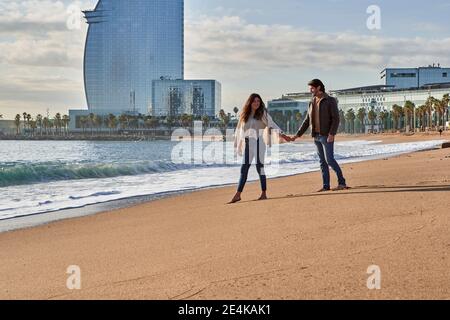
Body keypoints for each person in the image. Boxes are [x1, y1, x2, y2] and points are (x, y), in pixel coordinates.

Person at [229, 93, 290, 204]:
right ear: (250, 102)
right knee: (244, 169)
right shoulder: (244, 115)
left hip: (259, 143)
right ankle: (238, 195)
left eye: (258, 101)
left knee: (259, 168)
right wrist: (237, 143)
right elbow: (239, 130)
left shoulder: (263, 113)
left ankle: (263, 193)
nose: (256, 103)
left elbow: (272, 125)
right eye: (254, 101)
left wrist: (282, 134)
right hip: (248, 144)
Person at [290, 79, 349, 192]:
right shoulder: (312, 101)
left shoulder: (330, 100)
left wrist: (332, 133)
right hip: (316, 136)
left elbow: (336, 119)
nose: (310, 90)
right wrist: (297, 135)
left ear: (319, 88)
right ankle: (326, 185)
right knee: (322, 161)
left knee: (330, 160)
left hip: (326, 135)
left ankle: (342, 182)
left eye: (312, 88)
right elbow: (307, 120)